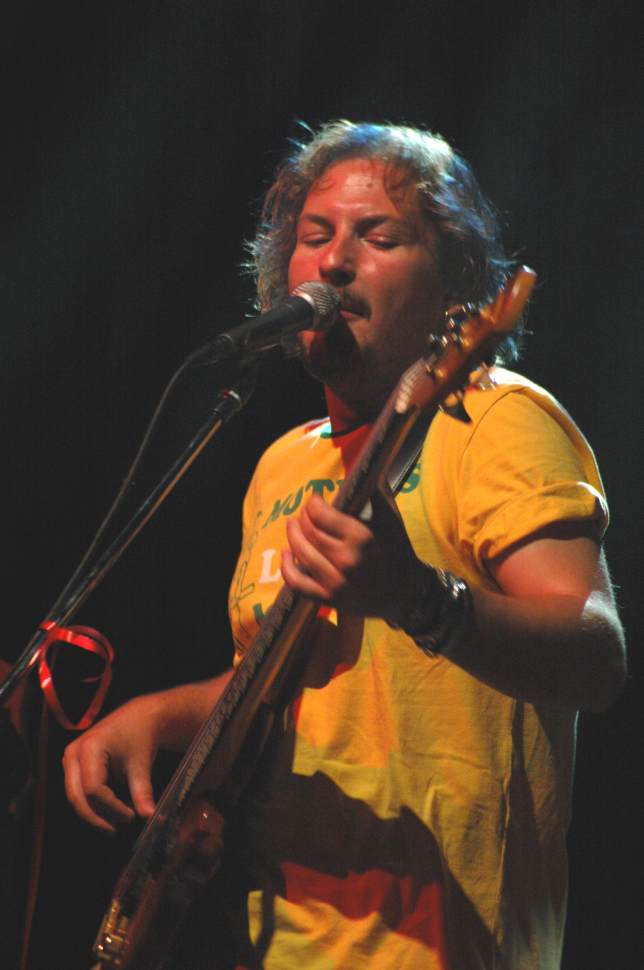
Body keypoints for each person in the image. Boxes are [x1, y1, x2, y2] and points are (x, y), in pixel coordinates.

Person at [63, 121, 626, 969]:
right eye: (314, 235)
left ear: (455, 285)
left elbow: (596, 657)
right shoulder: (282, 464)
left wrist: (418, 598)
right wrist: (156, 717)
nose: (332, 261)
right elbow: (285, 685)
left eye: (379, 237)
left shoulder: (495, 419)